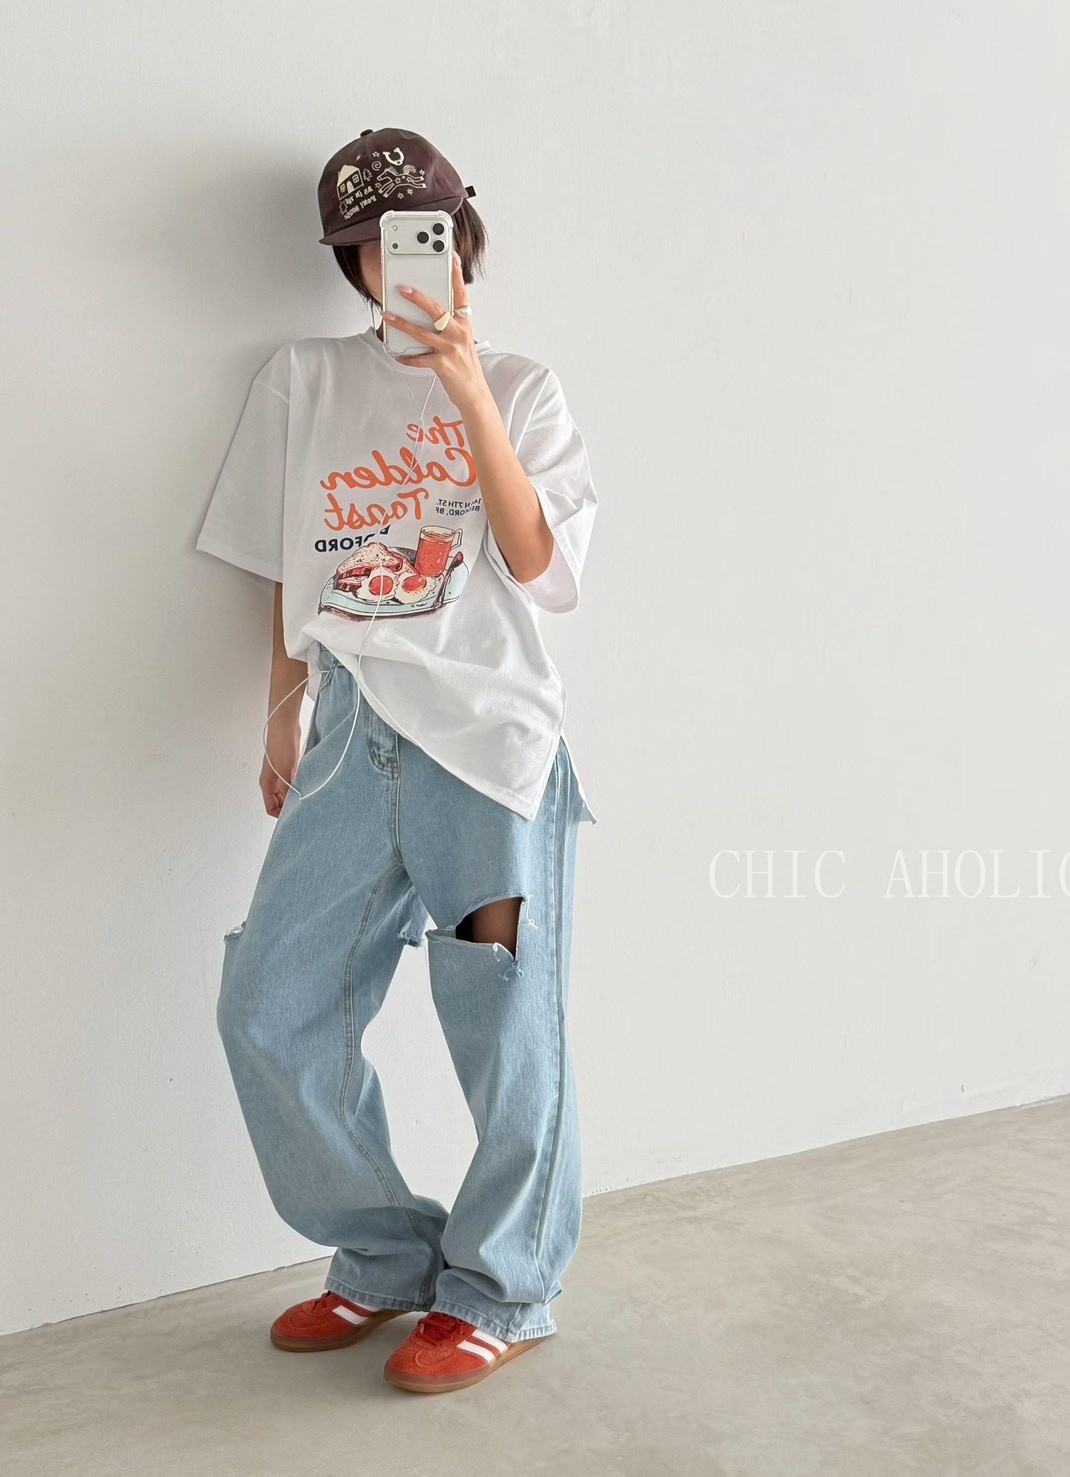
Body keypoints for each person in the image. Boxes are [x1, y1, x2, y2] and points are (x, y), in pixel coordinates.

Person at [194, 127, 599, 1396]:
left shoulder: (523, 385)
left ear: (459, 237)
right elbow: (288, 561)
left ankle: (503, 1288)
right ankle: (383, 1254)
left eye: (417, 235)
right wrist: (282, 709)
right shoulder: (302, 379)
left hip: (484, 744)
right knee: (271, 1006)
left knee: (504, 1023)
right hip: (348, 736)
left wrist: (466, 388)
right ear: (350, 265)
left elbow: (539, 565)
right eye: (369, 246)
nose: (395, 261)